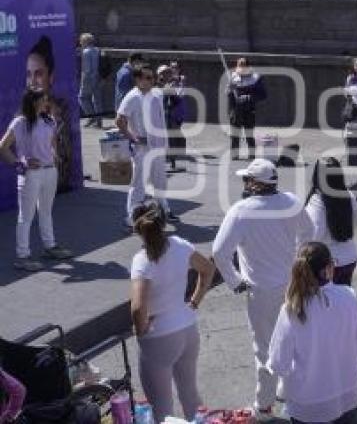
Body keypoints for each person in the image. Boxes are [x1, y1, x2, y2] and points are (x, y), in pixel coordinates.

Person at [211, 158, 313, 417]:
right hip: (292, 283)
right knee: (295, 340)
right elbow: (309, 233)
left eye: (246, 179)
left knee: (265, 348)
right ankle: (293, 392)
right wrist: (298, 262)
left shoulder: (241, 211)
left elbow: (219, 252)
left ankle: (264, 406)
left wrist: (234, 281)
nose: (244, 183)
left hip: (262, 290)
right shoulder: (291, 202)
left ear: (255, 184)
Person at [129, 201, 215, 424]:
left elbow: (138, 308)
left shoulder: (142, 260)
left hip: (159, 337)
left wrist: (141, 330)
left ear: (137, 228)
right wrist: (194, 302)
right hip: (187, 328)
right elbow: (208, 270)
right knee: (190, 394)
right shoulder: (180, 245)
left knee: (161, 407)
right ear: (163, 223)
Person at [267, 242, 357, 424]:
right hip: (347, 391)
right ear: (328, 268)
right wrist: (353, 370)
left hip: (307, 402)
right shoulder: (348, 295)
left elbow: (278, 362)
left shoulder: (292, 309)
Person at [0, 89, 74, 271]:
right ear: (33, 102)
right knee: (26, 217)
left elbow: (53, 142)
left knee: (46, 211)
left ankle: (50, 247)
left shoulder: (49, 120)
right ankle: (22, 256)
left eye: (46, 99)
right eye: (42, 100)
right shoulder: (20, 122)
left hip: (50, 172)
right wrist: (20, 164)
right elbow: (3, 147)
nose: (46, 103)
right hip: (30, 175)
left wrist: (55, 155)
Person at [116, 63, 175, 227]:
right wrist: (133, 138)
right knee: (139, 184)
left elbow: (166, 88)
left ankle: (164, 210)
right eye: (148, 78)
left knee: (160, 180)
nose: (152, 81)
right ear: (137, 79)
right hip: (142, 147)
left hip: (158, 145)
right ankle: (132, 216)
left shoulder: (156, 93)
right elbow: (119, 120)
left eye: (152, 77)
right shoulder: (132, 97)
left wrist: (170, 76)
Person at [26, 36, 75, 193]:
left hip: (56, 182)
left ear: (51, 77)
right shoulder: (22, 112)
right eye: (29, 74)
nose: (32, 81)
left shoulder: (61, 108)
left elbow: (64, 151)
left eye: (38, 74)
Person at [303, 157, 357, 285]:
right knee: (343, 298)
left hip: (327, 262)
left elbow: (316, 232)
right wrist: (343, 232)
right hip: (349, 256)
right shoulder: (348, 195)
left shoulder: (317, 200)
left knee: (325, 302)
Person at [228, 58, 267, 161]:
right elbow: (228, 94)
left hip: (249, 109)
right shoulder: (233, 76)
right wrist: (229, 90)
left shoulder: (256, 78)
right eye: (239, 66)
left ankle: (252, 154)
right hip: (236, 109)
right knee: (235, 133)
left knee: (249, 133)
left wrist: (249, 97)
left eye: (243, 66)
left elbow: (262, 95)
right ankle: (235, 154)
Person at [159, 64, 187, 172]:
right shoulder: (159, 84)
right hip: (161, 114)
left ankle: (172, 162)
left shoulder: (170, 84)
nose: (168, 74)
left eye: (169, 72)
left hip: (170, 114)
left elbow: (178, 98)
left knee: (171, 137)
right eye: (166, 73)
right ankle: (166, 161)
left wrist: (172, 91)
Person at [77, 32, 102, 128]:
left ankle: (91, 117)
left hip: (88, 79)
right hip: (97, 77)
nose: (80, 43)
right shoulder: (97, 50)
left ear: (85, 41)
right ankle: (99, 120)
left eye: (81, 41)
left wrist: (82, 81)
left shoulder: (86, 52)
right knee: (97, 100)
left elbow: (86, 70)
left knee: (82, 98)